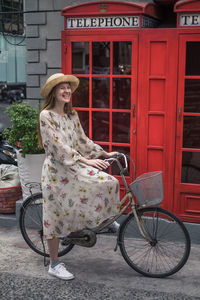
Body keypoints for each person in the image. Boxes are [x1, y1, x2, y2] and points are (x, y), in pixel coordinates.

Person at [38, 73, 120, 280]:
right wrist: (86, 160)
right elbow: (58, 146)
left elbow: (82, 140)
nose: (67, 91)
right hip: (56, 172)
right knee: (54, 218)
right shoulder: (46, 116)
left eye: (68, 87)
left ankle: (104, 219)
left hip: (73, 168)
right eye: (62, 88)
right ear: (53, 92)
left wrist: (104, 153)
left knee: (110, 181)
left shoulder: (71, 115)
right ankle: (54, 264)